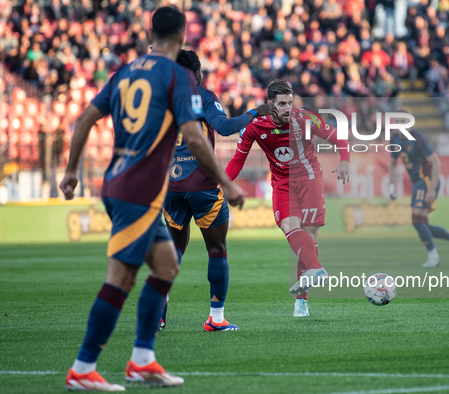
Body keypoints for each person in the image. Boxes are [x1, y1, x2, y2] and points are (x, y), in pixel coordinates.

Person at [60, 7, 244, 391]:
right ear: (180, 37)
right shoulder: (178, 76)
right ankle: (82, 367)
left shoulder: (125, 73)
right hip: (137, 192)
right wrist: (226, 182)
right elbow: (196, 137)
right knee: (120, 279)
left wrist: (72, 171)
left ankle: (142, 359)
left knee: (166, 267)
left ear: (150, 36)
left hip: (123, 184)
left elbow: (84, 120)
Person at [160, 49, 277, 332]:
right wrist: (253, 112)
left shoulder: (161, 100)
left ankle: (157, 315)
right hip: (203, 187)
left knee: (173, 250)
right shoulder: (203, 96)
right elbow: (224, 127)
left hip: (171, 187)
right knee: (217, 249)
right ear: (198, 74)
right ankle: (216, 318)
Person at [225, 79, 350, 317]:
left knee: (310, 235)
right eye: (282, 103)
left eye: (289, 102)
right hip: (283, 183)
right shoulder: (254, 125)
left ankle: (301, 302)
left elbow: (337, 136)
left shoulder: (305, 119)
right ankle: (316, 269)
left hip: (310, 178)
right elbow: (237, 160)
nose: (287, 108)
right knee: (288, 225)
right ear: (270, 104)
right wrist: (221, 184)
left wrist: (345, 160)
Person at [388, 114, 449, 267]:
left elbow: (436, 162)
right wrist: (391, 186)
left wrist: (432, 189)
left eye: (403, 121)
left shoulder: (418, 138)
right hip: (417, 183)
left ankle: (434, 256)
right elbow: (393, 163)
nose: (400, 124)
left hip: (426, 181)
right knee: (421, 223)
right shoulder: (394, 139)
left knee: (417, 220)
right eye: (397, 121)